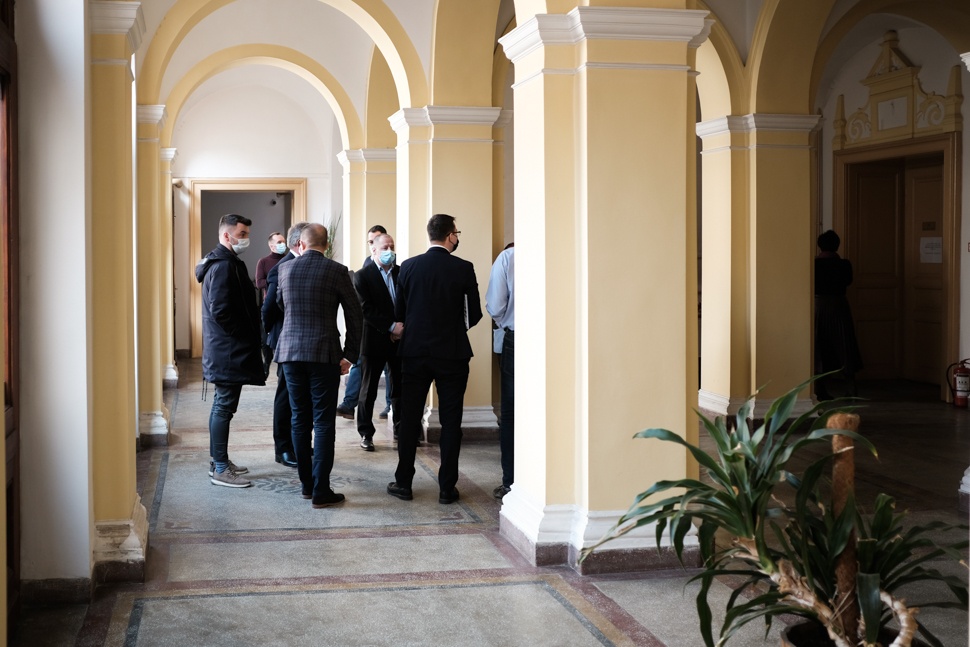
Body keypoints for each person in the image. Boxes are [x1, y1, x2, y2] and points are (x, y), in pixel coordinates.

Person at [387, 214, 482, 504]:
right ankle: (446, 488)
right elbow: (475, 313)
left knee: (410, 418)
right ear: (451, 235)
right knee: (451, 421)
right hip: (453, 354)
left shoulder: (408, 267)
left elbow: (399, 313)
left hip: (414, 352)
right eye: (457, 233)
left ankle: (404, 482)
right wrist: (455, 330)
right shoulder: (463, 267)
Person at [276, 223, 363, 508]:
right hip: (324, 353)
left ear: (300, 244)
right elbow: (355, 315)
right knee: (323, 422)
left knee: (299, 419)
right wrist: (350, 355)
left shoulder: (285, 269)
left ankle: (306, 485)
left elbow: (279, 304)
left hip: (290, 353)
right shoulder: (337, 270)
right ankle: (321, 490)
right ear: (326, 245)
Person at [195, 213, 266, 488]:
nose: (246, 239)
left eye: (247, 234)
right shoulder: (223, 266)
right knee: (224, 407)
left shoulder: (226, 262)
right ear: (227, 236)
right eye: (242, 234)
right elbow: (222, 311)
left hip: (226, 349)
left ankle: (219, 461)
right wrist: (245, 336)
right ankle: (220, 468)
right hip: (227, 350)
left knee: (223, 406)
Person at [261, 222, 311, 469]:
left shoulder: (306, 264)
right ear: (300, 242)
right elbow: (268, 309)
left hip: (305, 341)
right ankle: (283, 448)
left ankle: (299, 444)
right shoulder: (280, 268)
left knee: (302, 395)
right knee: (285, 394)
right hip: (285, 339)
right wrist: (273, 335)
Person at [353, 233, 403, 451]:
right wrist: (391, 327)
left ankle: (401, 429)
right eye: (385, 247)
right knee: (368, 390)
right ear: (373, 249)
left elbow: (406, 302)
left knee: (400, 388)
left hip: (399, 339)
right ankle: (366, 433)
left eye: (392, 246)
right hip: (374, 340)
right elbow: (366, 309)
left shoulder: (401, 272)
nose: (389, 250)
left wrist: (400, 328)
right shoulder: (362, 276)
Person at [336, 224, 390, 419]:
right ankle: (350, 404)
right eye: (370, 242)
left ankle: (389, 405)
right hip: (371, 328)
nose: (373, 245)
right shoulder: (367, 266)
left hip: (390, 330)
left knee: (389, 369)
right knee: (361, 366)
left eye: (376, 240)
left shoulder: (395, 268)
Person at [814, 229, 863, 400]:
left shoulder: (814, 264)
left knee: (819, 346)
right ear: (837, 246)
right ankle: (851, 387)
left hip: (819, 306)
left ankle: (820, 389)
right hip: (839, 306)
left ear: (819, 246)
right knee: (844, 345)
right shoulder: (844, 264)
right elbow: (848, 281)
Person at [486, 243, 514, 500]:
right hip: (553, 337)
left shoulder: (508, 258)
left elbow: (495, 307)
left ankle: (510, 482)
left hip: (515, 337)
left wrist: (505, 322)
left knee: (511, 412)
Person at [255, 231, 287, 297]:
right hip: (270, 299)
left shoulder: (289, 259)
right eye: (279, 242)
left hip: (286, 298)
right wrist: (277, 281)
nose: (283, 244)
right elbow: (259, 283)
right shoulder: (263, 262)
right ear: (271, 246)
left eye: (284, 242)